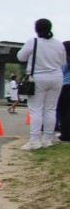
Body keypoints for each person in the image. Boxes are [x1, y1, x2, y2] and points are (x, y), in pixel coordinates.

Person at [17, 19, 67, 149]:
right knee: (51, 109)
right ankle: (47, 139)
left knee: (36, 109)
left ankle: (34, 140)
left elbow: (21, 57)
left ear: (36, 29)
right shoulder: (58, 44)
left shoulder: (33, 42)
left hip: (38, 78)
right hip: (56, 77)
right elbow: (62, 62)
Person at [59, 42, 70, 142]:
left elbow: (60, 73)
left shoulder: (64, 60)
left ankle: (65, 134)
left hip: (66, 86)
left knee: (64, 112)